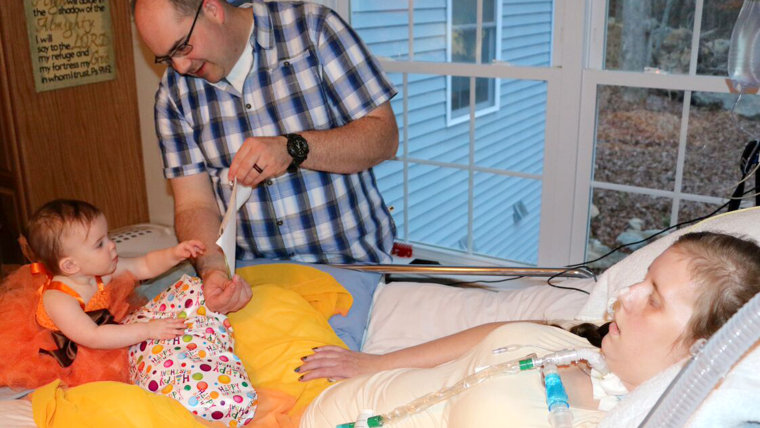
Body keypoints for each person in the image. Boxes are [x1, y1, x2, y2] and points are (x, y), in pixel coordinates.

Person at [131, 0, 399, 350]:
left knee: (316, 374)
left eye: (183, 47)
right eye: (167, 58)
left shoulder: (312, 30)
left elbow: (384, 138)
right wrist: (213, 270)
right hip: (255, 275)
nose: (181, 66)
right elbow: (194, 203)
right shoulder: (174, 95)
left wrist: (294, 149)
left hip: (349, 264)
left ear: (212, 8)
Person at [296, 232, 760, 427]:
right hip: (313, 406)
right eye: (640, 281)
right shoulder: (588, 338)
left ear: (706, 351)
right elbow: (494, 331)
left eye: (654, 299)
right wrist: (373, 362)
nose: (626, 296)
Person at [22, 199, 204, 363]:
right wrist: (148, 330)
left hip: (101, 328)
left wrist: (174, 254)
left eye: (108, 236)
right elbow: (94, 337)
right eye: (99, 244)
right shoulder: (60, 300)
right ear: (71, 265)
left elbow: (144, 265)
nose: (112, 245)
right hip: (77, 345)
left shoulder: (99, 269)